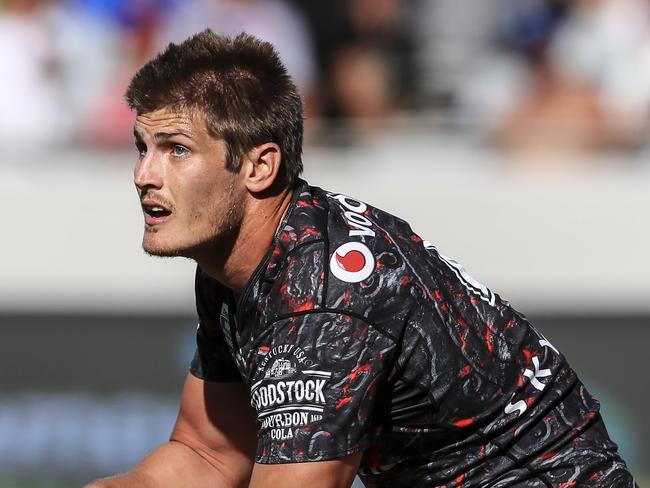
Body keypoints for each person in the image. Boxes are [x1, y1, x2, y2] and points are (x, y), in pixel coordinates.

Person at [86, 30, 638, 487]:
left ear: (259, 167)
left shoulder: (326, 294)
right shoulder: (237, 261)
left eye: (176, 149)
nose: (144, 176)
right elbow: (209, 456)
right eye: (143, 147)